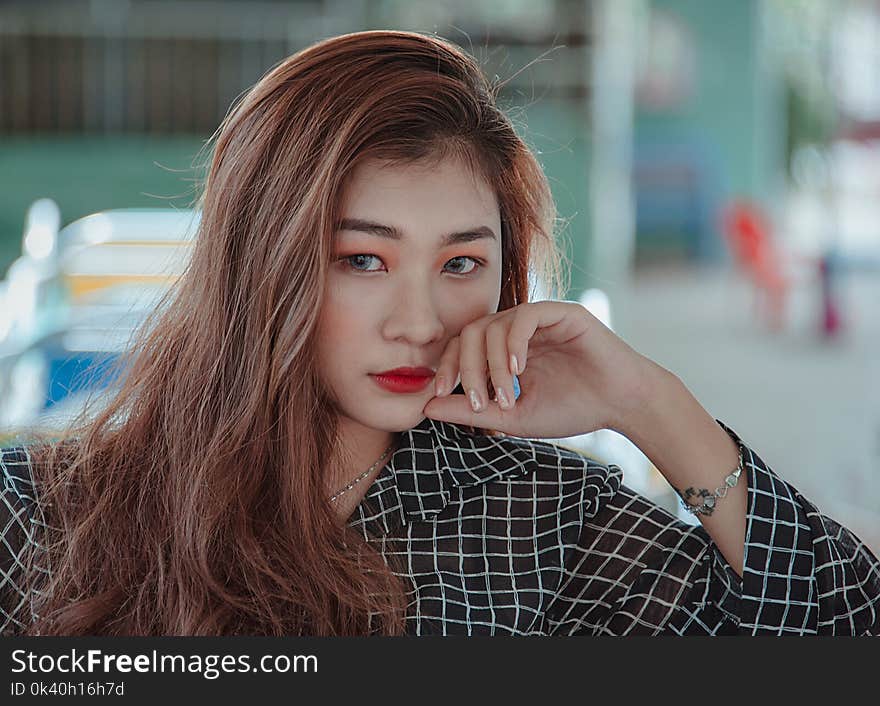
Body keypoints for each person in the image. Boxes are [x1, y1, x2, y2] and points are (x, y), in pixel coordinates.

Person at [1, 29, 878, 637]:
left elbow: (843, 627)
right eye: (362, 260)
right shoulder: (45, 510)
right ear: (257, 265)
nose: (419, 323)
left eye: (461, 264)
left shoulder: (550, 523)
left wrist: (649, 404)